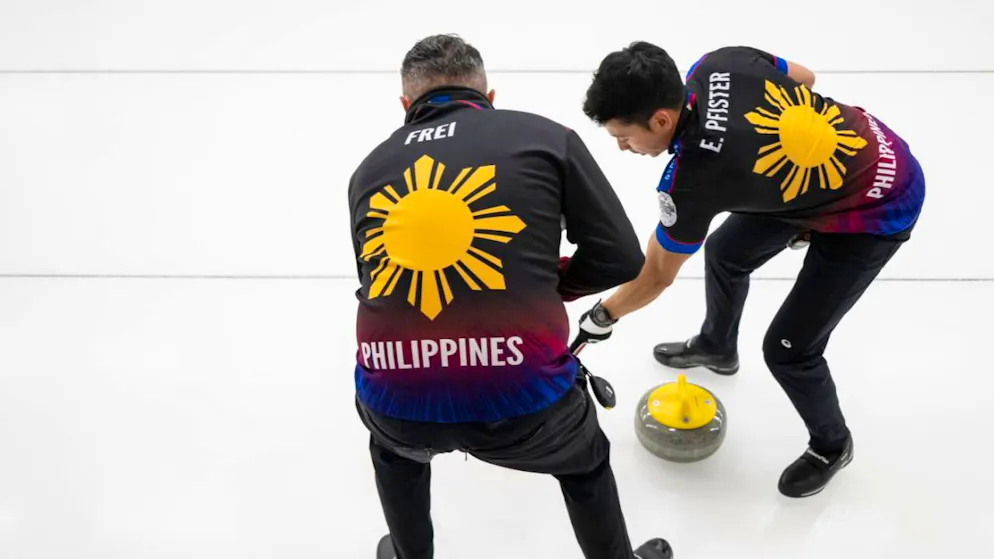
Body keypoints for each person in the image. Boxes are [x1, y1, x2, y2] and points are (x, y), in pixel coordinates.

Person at [348, 34, 673, 559]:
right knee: (585, 463)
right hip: (522, 401)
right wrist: (545, 283)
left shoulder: (368, 170)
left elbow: (380, 280)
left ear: (406, 107)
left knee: (394, 449)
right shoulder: (545, 138)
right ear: (489, 97)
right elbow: (619, 257)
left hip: (396, 400)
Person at [573, 42, 925, 498]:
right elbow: (806, 78)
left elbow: (657, 275)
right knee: (726, 252)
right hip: (849, 154)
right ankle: (718, 346)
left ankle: (832, 445)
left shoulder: (694, 181)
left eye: (624, 136)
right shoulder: (719, 62)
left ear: (661, 120)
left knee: (790, 350)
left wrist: (602, 316)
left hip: (879, 206)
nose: (622, 147)